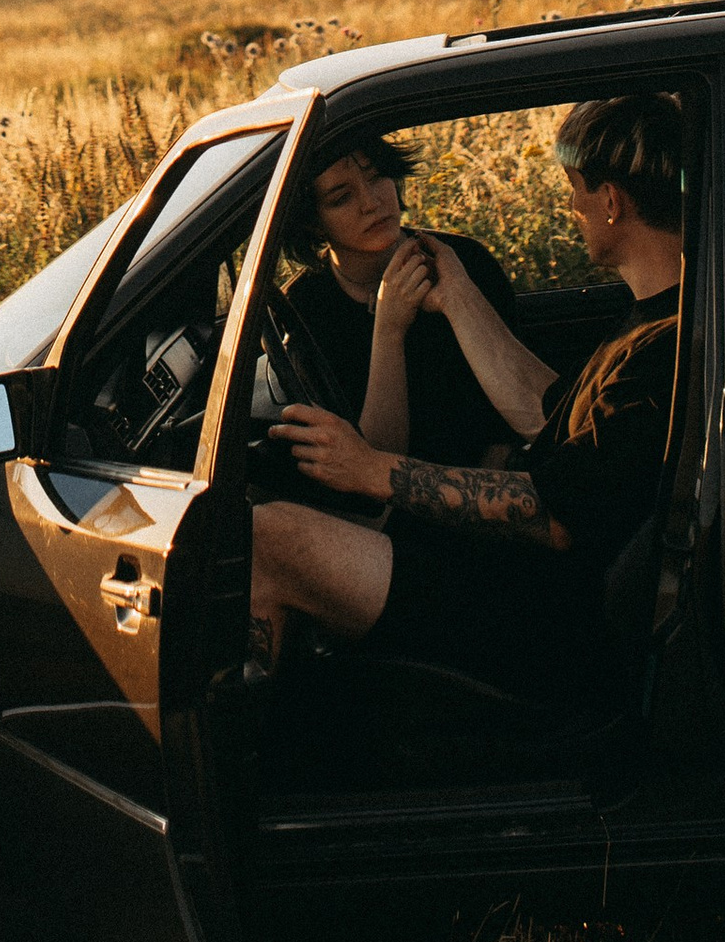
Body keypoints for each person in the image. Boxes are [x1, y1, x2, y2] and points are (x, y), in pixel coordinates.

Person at [251, 89, 686, 705]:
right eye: (343, 197)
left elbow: (556, 517)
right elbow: (547, 412)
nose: (568, 206)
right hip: (513, 565)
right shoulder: (650, 322)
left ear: (611, 201)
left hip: (536, 606)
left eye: (576, 190)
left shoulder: (657, 348)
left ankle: (261, 761)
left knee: (270, 538)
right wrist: (453, 294)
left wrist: (374, 470)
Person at [278, 137, 525, 470]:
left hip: (488, 491)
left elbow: (518, 419)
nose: (371, 203)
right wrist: (389, 328)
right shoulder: (305, 307)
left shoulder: (462, 262)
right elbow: (367, 466)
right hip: (387, 509)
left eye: (378, 177)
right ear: (312, 220)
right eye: (342, 198)